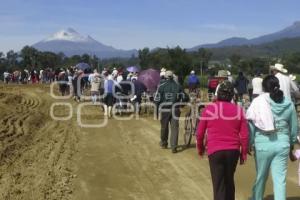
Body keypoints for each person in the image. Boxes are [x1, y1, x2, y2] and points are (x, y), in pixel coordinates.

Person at [246, 75, 298, 200]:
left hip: (263, 144)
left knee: (261, 177)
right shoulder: (289, 104)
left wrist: (249, 142)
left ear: (264, 88)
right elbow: (294, 128)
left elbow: (252, 125)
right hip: (282, 145)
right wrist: (291, 145)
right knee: (280, 180)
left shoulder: (259, 102)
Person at [196, 80, 249, 200]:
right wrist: (243, 154)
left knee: (219, 184)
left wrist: (200, 148)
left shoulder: (209, 109)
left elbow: (199, 133)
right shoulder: (238, 110)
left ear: (217, 94)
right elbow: (245, 135)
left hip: (215, 151)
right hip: (233, 151)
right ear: (232, 96)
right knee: (229, 181)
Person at [154, 70, 189, 153]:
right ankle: (174, 147)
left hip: (164, 109)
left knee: (164, 127)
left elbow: (157, 100)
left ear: (165, 77)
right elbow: (185, 97)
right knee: (175, 128)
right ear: (173, 77)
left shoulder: (161, 87)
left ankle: (164, 143)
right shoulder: (178, 86)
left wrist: (156, 112)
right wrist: (181, 104)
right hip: (175, 109)